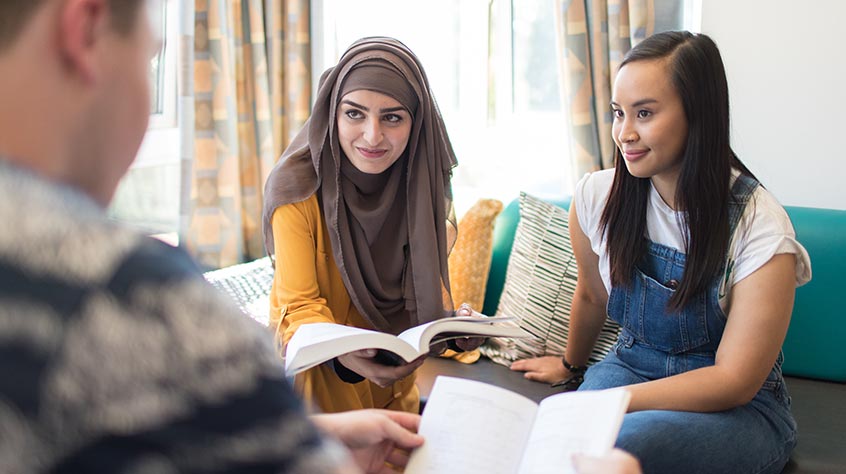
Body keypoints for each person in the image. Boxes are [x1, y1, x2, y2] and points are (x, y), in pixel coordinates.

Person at [0, 1, 424, 472]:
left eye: (392, 117)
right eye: (150, 59)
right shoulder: (144, 304)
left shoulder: (420, 197)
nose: (372, 134)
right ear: (86, 28)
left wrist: (312, 432)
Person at [511, 31, 811, 473]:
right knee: (562, 444)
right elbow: (592, 295)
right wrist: (570, 364)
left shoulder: (759, 227)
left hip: (736, 407)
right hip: (630, 367)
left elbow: (735, 381)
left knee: (622, 446)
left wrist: (620, 401)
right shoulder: (598, 196)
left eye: (645, 113)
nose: (624, 133)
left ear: (698, 115)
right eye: (618, 113)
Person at [262, 36, 480, 414]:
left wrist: (451, 328)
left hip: (397, 388)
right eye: (354, 114)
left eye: (392, 117)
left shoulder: (418, 189)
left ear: (416, 123)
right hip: (319, 384)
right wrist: (344, 356)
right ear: (332, 113)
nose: (372, 136)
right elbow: (298, 308)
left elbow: (414, 301)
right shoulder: (296, 190)